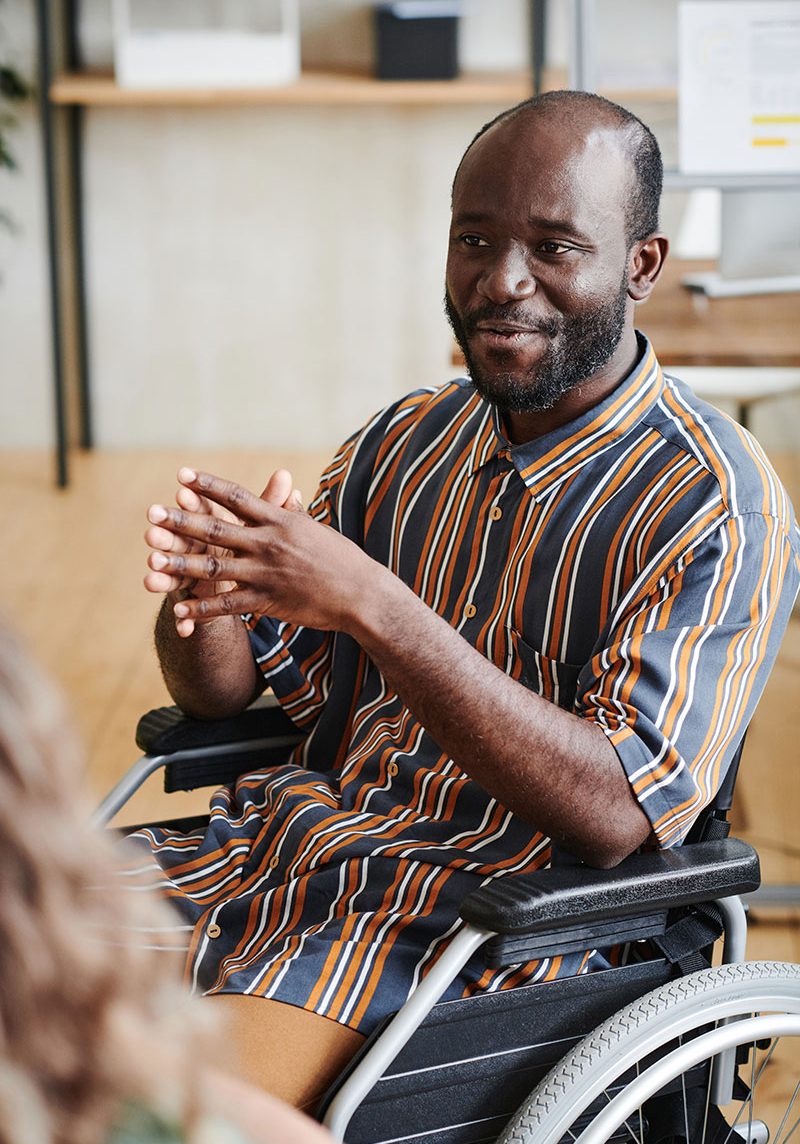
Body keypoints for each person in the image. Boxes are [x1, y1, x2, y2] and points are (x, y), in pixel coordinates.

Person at [140, 90, 800, 1111]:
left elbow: (615, 811)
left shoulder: (713, 500)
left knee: (136, 1110)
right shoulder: (400, 441)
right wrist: (208, 602)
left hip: (472, 933)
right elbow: (230, 694)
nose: (500, 281)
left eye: (553, 246)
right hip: (280, 851)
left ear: (640, 266)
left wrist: (374, 604)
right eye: (474, 239)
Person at [0, 621, 333, 1144]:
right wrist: (204, 603)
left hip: (417, 894)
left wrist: (369, 604)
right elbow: (212, 693)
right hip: (258, 836)